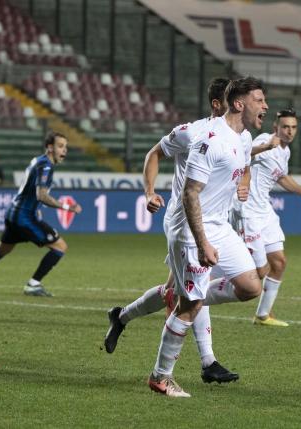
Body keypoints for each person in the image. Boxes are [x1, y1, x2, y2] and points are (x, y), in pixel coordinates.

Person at [104, 78, 242, 384]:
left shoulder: (236, 136)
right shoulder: (191, 132)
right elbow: (153, 154)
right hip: (185, 222)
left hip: (215, 223)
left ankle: (121, 316)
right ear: (219, 104)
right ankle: (207, 361)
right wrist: (149, 191)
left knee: (176, 292)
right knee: (195, 290)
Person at [147, 77, 268, 397]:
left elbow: (243, 164)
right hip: (191, 227)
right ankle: (161, 376)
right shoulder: (208, 139)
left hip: (220, 226)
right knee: (190, 307)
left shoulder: (244, 139)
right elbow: (189, 195)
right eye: (259, 100)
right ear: (239, 104)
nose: (265, 106)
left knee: (251, 286)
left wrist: (244, 181)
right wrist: (202, 243)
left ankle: (186, 296)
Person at [230, 109, 301, 327]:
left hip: (265, 210)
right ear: (276, 128)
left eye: (293, 127)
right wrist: (264, 147)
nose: (289, 131)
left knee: (279, 262)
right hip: (247, 210)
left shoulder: (285, 152)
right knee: (259, 272)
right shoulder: (265, 139)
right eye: (285, 127)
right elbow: (241, 152)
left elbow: (281, 177)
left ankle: (263, 315)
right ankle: (200, 291)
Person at [0, 131, 82, 297]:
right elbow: (41, 196)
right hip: (24, 217)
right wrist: (67, 207)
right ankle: (33, 284)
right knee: (60, 247)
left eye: (65, 147)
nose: (64, 150)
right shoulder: (46, 166)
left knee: (3, 249)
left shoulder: (39, 161)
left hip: (14, 214)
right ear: (50, 147)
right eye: (60, 146)